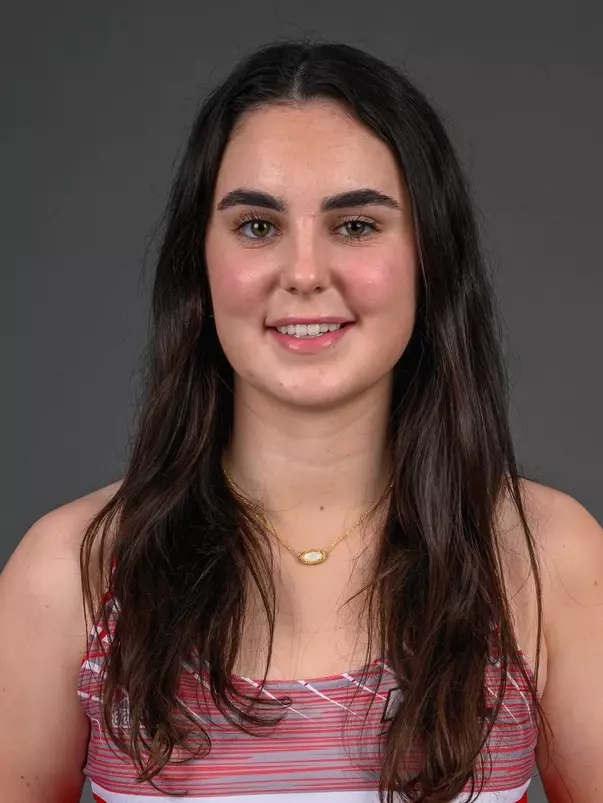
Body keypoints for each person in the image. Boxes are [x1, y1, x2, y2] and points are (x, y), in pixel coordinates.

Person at [1, 39, 601, 803]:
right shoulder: (72, 572)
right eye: (257, 225)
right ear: (199, 261)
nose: (305, 272)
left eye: (355, 225)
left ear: (429, 257)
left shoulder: (545, 557)